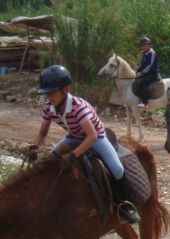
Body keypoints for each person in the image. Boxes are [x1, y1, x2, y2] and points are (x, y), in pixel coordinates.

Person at [30, 65, 140, 224]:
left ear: (65, 89)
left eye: (52, 92)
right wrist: (35, 147)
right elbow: (42, 134)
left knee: (117, 168)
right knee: (48, 161)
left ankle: (124, 203)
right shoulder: (48, 108)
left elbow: (92, 136)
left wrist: (73, 155)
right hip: (73, 136)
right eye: (47, 93)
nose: (49, 97)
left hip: (97, 137)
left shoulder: (78, 107)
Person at [135, 36, 159, 107]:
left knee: (142, 83)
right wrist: (136, 71)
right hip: (146, 73)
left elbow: (149, 66)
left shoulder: (152, 53)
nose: (144, 47)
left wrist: (141, 73)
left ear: (149, 45)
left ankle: (145, 103)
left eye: (145, 45)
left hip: (152, 74)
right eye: (143, 45)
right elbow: (142, 66)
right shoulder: (144, 54)